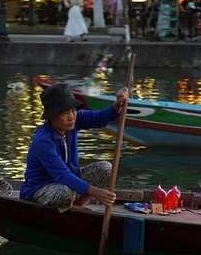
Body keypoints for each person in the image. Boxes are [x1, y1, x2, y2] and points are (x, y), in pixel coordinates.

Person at [20, 84, 129, 212]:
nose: (71, 116)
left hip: (69, 179)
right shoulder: (43, 141)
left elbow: (100, 117)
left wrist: (118, 105)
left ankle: (78, 204)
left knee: (106, 168)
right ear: (52, 116)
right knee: (65, 192)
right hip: (42, 188)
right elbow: (62, 175)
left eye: (73, 110)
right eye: (65, 112)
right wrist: (96, 192)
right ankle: (72, 206)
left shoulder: (74, 121)